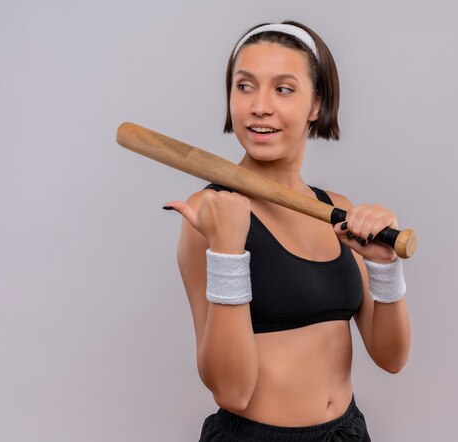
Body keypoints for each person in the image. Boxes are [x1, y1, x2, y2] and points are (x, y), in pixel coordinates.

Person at [163, 20, 411, 441]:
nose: (260, 106)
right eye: (245, 86)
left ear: (317, 104)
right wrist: (226, 252)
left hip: (347, 431)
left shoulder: (337, 209)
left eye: (283, 89)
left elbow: (390, 357)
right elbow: (231, 391)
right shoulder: (211, 213)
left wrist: (384, 268)